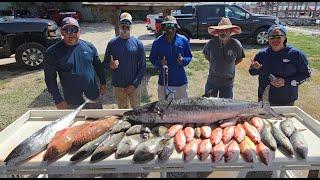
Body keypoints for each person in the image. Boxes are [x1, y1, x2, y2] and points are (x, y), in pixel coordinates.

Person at [44, 17, 106, 109]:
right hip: (72, 102)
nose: (71, 33)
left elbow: (98, 66)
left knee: (97, 122)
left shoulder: (89, 47)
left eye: (74, 29)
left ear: (79, 31)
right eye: (67, 30)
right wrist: (58, 100)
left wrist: (103, 83)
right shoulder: (52, 52)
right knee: (77, 124)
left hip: (93, 97)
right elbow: (50, 79)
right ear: (62, 32)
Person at [249, 24, 311, 106]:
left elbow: (306, 75)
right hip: (264, 98)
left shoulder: (295, 54)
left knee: (284, 119)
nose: (275, 40)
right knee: (263, 119)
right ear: (268, 39)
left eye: (278, 37)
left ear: (284, 38)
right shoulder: (262, 54)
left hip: (286, 100)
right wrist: (255, 68)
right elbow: (252, 72)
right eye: (271, 37)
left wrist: (286, 82)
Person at [103, 12, 146, 109]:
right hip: (118, 87)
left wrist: (134, 84)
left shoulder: (138, 43)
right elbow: (104, 64)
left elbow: (143, 66)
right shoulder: (112, 43)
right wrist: (110, 65)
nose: (125, 25)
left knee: (136, 112)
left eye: (128, 23)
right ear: (119, 24)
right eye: (123, 23)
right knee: (122, 113)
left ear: (131, 25)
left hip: (134, 87)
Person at [149, 15, 192, 100]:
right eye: (168, 26)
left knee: (181, 108)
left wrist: (183, 61)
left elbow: (189, 56)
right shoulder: (157, 42)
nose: (170, 29)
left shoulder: (183, 40)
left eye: (172, 26)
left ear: (176, 27)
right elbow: (152, 58)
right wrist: (160, 63)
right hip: (164, 82)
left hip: (180, 82)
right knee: (164, 109)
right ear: (164, 28)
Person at [203, 17, 245, 99]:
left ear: (230, 31)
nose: (223, 32)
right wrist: (215, 63)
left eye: (226, 30)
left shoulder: (236, 44)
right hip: (212, 80)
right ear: (217, 32)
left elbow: (239, 59)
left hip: (227, 82)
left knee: (226, 106)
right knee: (209, 104)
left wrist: (229, 65)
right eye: (221, 30)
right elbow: (206, 55)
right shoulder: (211, 43)